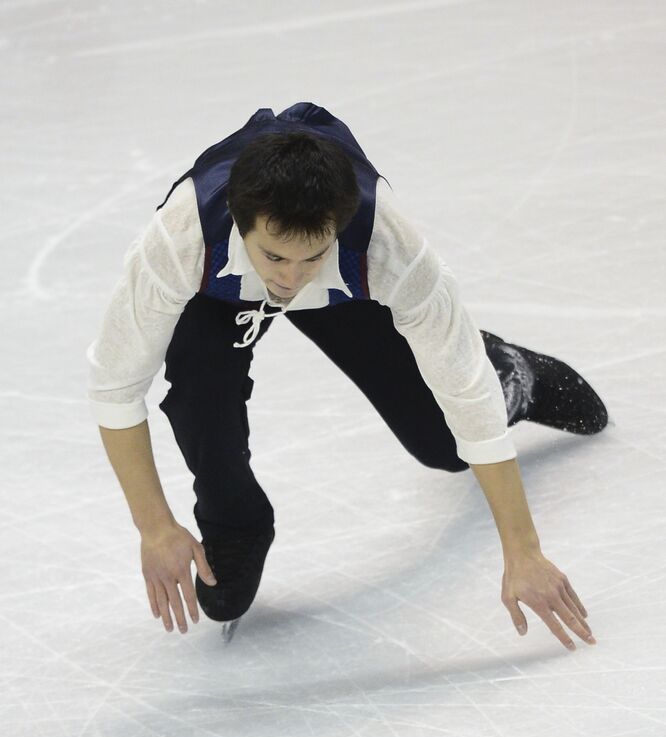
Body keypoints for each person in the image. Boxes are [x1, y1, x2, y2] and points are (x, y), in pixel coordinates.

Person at [87, 101, 607, 650]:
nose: (288, 281)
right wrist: (155, 526)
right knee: (198, 389)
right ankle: (235, 521)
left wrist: (522, 549)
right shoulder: (181, 239)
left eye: (309, 258)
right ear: (241, 227)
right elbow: (115, 386)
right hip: (221, 291)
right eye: (274, 258)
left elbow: (464, 390)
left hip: (346, 289)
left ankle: (513, 370)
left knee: (446, 445)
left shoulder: (388, 249)